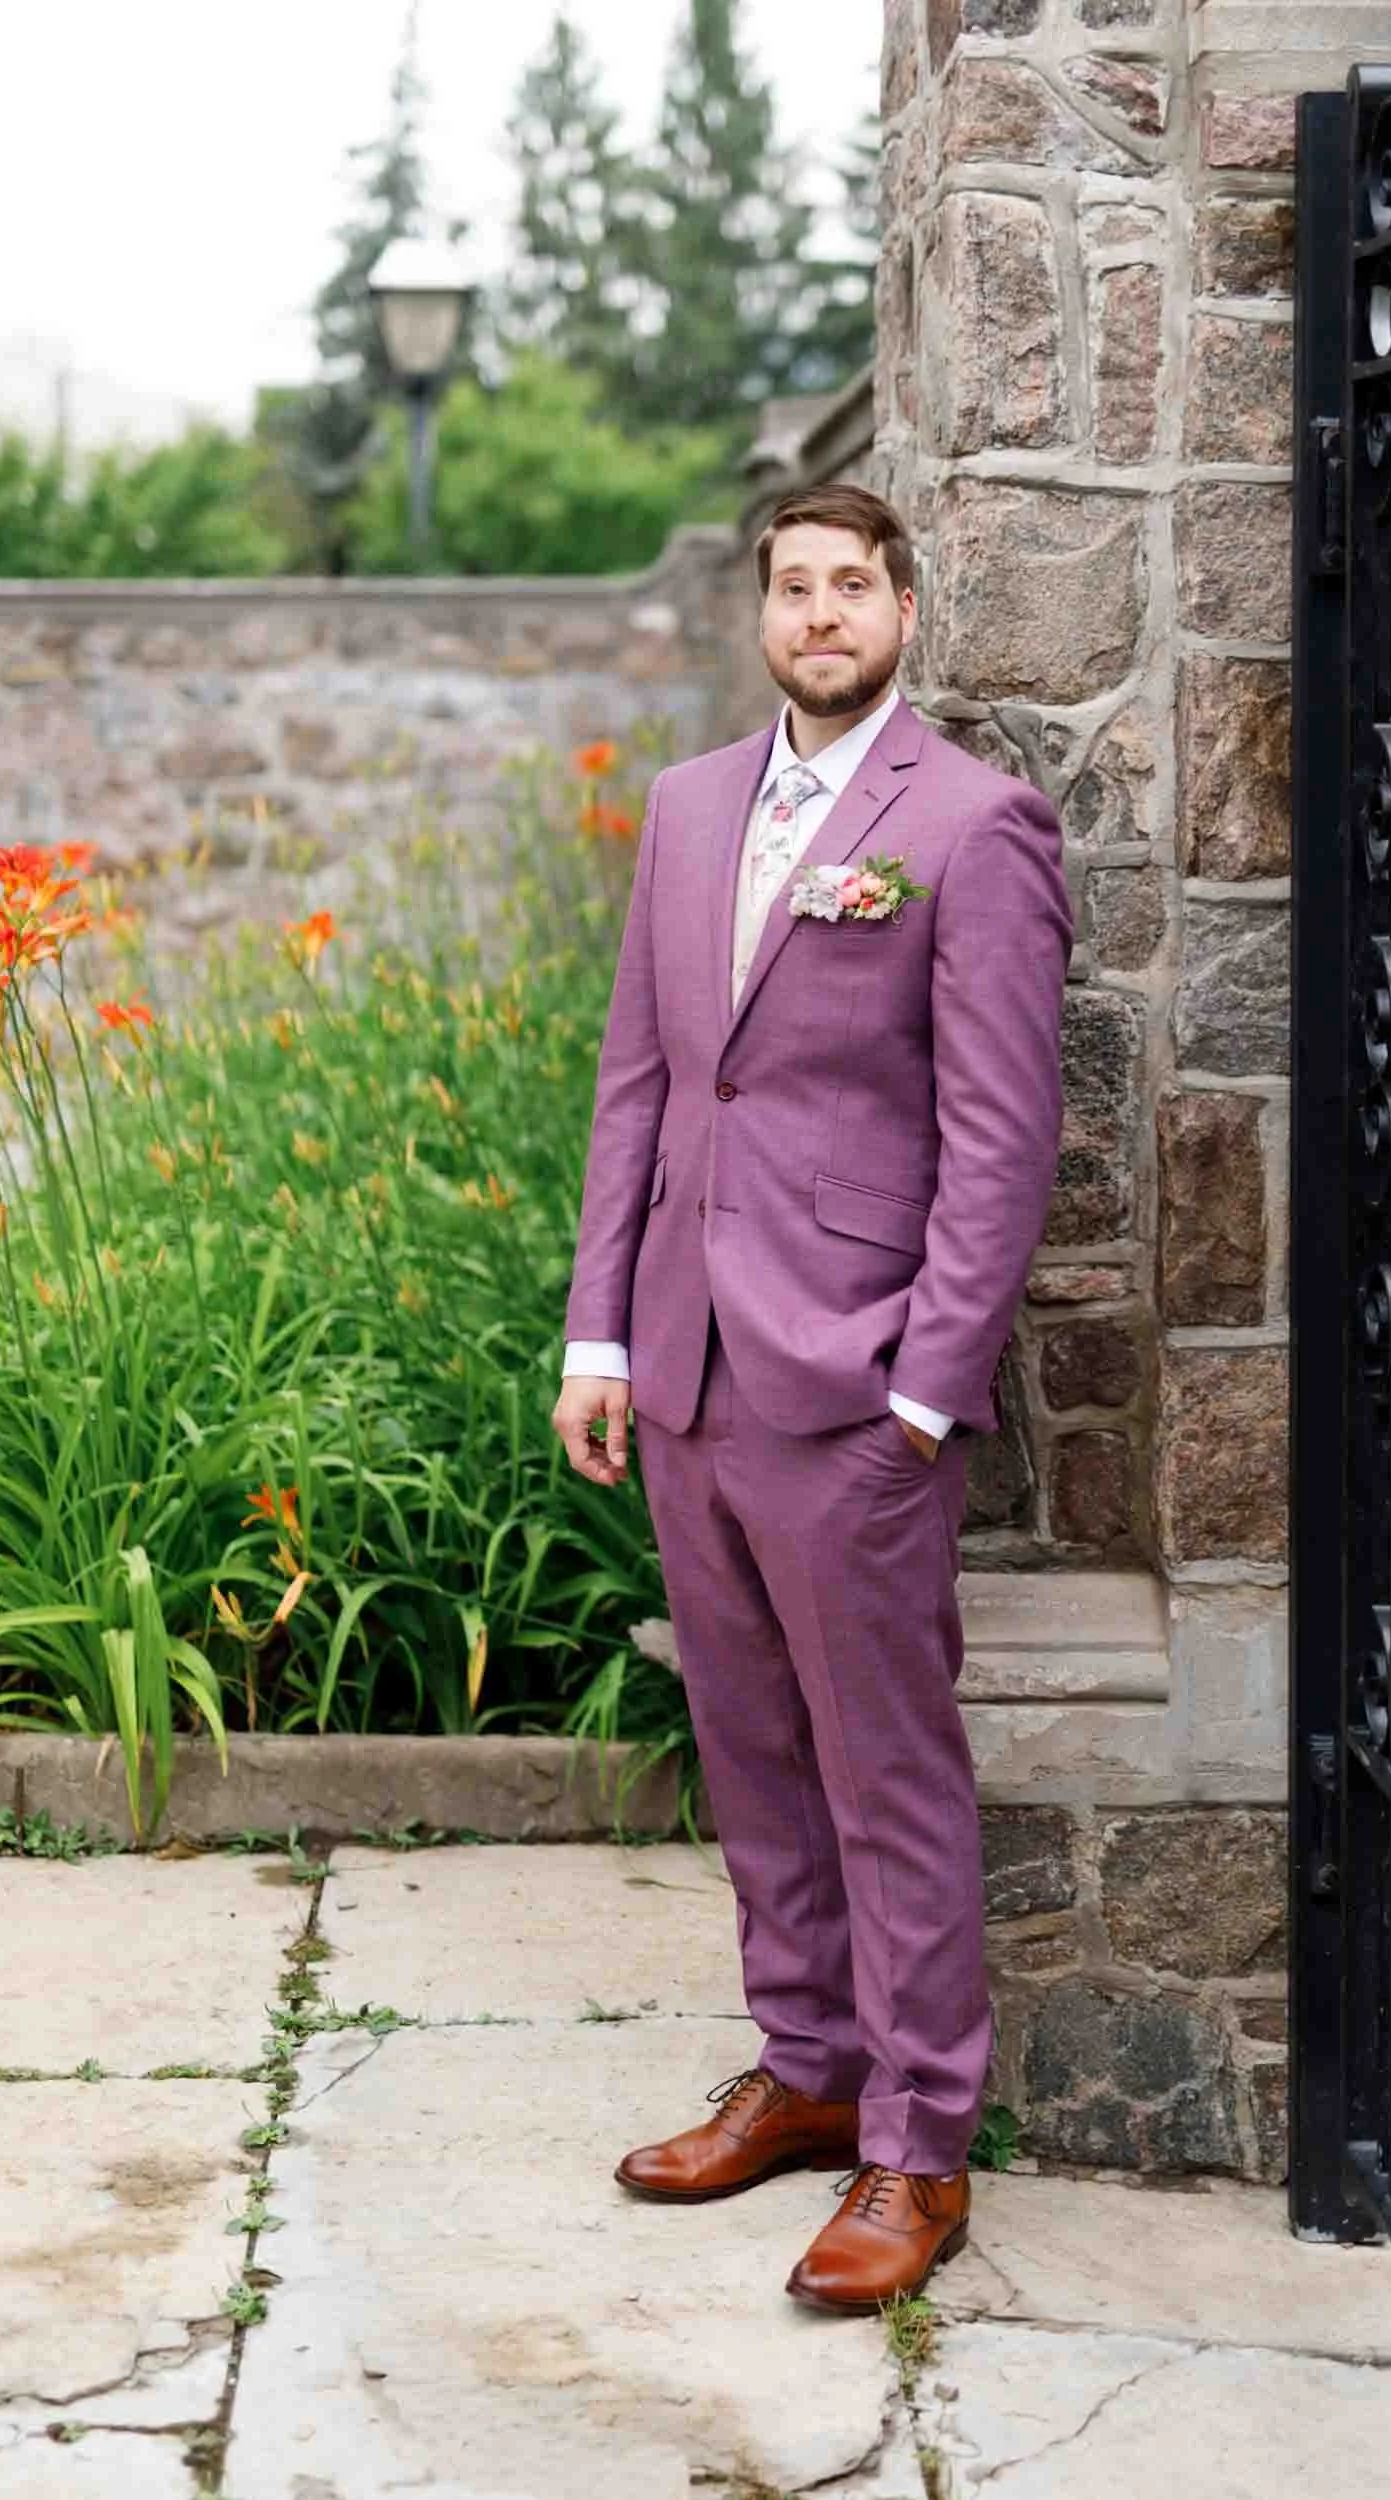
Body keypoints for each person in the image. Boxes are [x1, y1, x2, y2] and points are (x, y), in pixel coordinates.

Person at [552, 483, 1072, 2315]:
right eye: (795, 586)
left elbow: (1003, 1138)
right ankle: (808, 2068)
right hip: (689, 1370)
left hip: (855, 1387)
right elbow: (641, 1082)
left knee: (884, 1771)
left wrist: (927, 1392)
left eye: (854, 585)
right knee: (756, 1753)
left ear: (904, 613)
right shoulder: (691, 808)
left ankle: (919, 2146)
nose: (822, 613)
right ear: (761, 613)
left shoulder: (973, 823)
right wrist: (601, 1341)